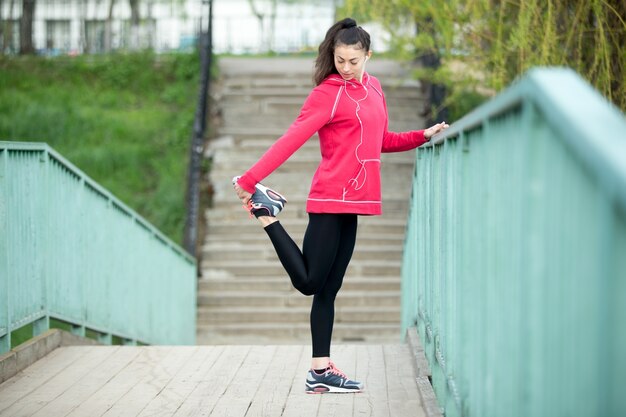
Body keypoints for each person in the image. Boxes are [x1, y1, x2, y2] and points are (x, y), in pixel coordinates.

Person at [232, 17, 449, 394]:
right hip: (331, 196)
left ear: (368, 55)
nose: (345, 68)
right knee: (309, 282)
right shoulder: (328, 93)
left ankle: (320, 370)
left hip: (356, 201)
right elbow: (291, 139)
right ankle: (266, 214)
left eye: (353, 61)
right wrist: (248, 180)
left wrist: (421, 136)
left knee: (329, 289)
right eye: (339, 60)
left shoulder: (376, 89)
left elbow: (380, 140)